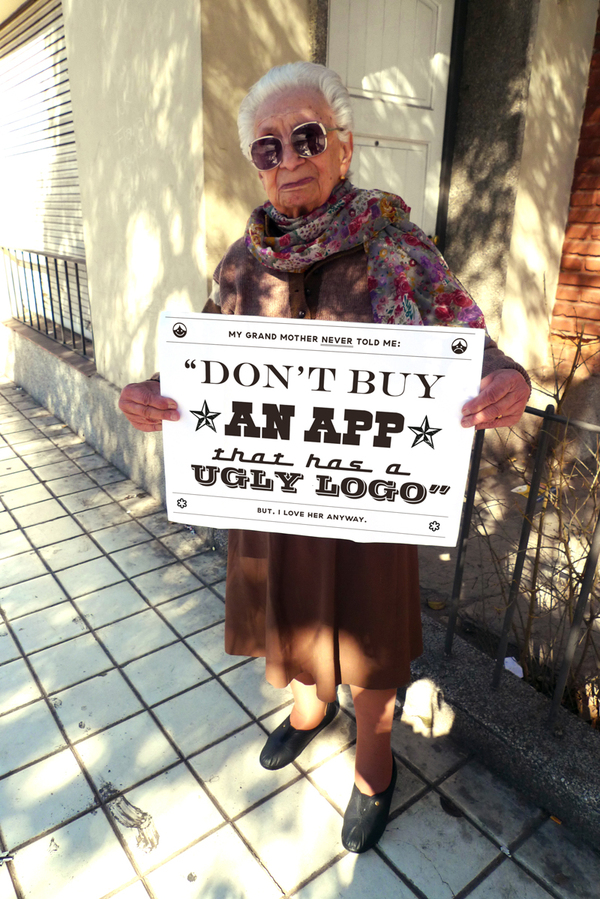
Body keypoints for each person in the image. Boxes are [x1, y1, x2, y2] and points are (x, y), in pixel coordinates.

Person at [119, 62, 530, 853]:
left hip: (368, 501)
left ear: (343, 145)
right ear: (257, 165)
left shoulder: (397, 248)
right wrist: (153, 391)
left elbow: (465, 338)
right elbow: (201, 357)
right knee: (293, 616)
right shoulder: (243, 261)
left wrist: (503, 376)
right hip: (275, 498)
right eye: (267, 146)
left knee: (370, 635)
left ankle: (375, 766)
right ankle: (310, 708)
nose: (289, 157)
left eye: (307, 136)